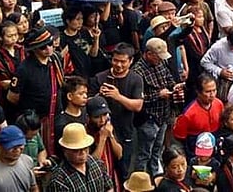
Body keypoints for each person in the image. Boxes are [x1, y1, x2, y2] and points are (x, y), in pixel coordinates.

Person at [90, 42, 143, 174]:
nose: (118, 65)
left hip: (125, 132)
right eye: (115, 60)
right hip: (100, 131)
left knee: (123, 170)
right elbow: (88, 103)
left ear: (131, 61)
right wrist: (98, 96)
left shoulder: (136, 79)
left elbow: (138, 106)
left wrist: (118, 97)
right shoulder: (100, 77)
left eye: (123, 62)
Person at [133, 37, 176, 176]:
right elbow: (138, 98)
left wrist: (175, 87)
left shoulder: (161, 63)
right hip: (148, 118)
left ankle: (155, 175)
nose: (161, 59)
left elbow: (169, 79)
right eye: (158, 56)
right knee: (144, 152)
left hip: (163, 115)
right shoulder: (137, 71)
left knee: (157, 149)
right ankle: (140, 178)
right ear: (149, 54)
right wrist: (158, 94)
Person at [47, 123, 114, 192]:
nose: (83, 153)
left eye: (85, 148)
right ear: (65, 150)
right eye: (76, 150)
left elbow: (109, 187)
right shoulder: (59, 181)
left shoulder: (98, 164)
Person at [0, 125, 39, 192]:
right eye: (13, 147)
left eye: (20, 145)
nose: (17, 150)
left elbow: (34, 187)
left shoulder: (27, 161)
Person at [174, 73, 224, 157]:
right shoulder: (188, 114)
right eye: (208, 91)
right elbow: (179, 137)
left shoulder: (219, 104)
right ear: (198, 92)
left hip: (215, 146)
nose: (212, 95)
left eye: (214, 90)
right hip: (195, 151)